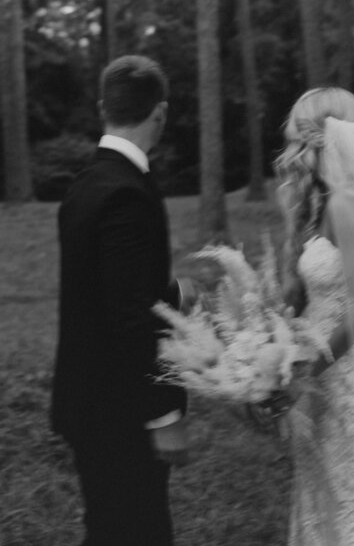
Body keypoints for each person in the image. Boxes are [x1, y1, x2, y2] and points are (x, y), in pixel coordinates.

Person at [51, 54, 196, 546]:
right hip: (121, 411)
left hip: (89, 400)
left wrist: (175, 295)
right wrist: (164, 414)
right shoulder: (127, 192)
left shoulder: (87, 184)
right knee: (139, 532)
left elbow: (104, 291)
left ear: (102, 107)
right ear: (161, 113)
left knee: (110, 529)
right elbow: (130, 318)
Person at [275, 87, 354, 545]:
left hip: (353, 385)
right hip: (325, 381)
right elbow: (320, 296)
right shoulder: (324, 203)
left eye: (296, 139)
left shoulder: (348, 206)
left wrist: (310, 366)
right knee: (323, 504)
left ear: (318, 142)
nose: (290, 150)